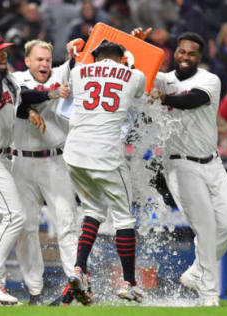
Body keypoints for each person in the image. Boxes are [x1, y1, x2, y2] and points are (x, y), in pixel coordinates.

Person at [0, 30, 67, 306]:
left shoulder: (7, 79)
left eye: (4, 50)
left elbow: (24, 96)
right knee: (15, 217)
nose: (3, 54)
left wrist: (47, 96)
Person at [138, 30, 227, 307]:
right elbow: (133, 67)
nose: (185, 56)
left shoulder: (210, 79)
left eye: (191, 53)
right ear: (175, 52)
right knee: (205, 229)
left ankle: (196, 271)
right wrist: (139, 43)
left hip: (212, 162)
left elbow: (192, 100)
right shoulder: (162, 80)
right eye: (182, 51)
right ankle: (209, 294)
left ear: (199, 57)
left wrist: (161, 98)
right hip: (179, 164)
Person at [63, 41, 146, 305]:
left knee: (93, 210)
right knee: (123, 218)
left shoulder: (78, 72)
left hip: (74, 154)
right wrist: (129, 60)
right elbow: (139, 92)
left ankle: (78, 269)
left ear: (95, 57)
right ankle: (129, 283)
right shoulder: (134, 74)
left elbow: (81, 66)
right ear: (121, 59)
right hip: (106, 155)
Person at [10, 39, 79, 305]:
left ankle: (76, 283)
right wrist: (37, 103)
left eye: (48, 59)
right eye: (38, 59)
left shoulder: (62, 73)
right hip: (22, 163)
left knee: (67, 222)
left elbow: (75, 63)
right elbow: (22, 97)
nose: (44, 64)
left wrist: (74, 52)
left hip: (55, 162)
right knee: (26, 228)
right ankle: (35, 291)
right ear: (27, 61)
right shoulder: (16, 78)